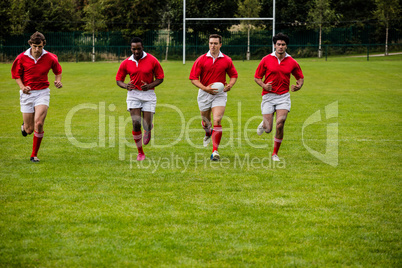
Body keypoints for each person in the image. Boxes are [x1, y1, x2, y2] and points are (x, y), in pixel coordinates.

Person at [11, 31, 63, 163]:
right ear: (30, 44)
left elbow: (58, 71)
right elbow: (16, 75)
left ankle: (34, 155)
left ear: (44, 44)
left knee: (39, 123)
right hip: (27, 94)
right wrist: (22, 87)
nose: (37, 49)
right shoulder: (21, 58)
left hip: (42, 92)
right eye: (35, 46)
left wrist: (57, 81)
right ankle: (24, 127)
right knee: (29, 130)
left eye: (40, 46)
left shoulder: (50, 57)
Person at [254, 32, 304, 162]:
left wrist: (299, 85)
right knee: (269, 129)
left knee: (280, 124)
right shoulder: (266, 59)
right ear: (274, 45)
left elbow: (300, 77)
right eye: (278, 44)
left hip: (283, 96)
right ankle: (264, 124)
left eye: (283, 44)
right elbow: (257, 77)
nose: (280, 46)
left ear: (286, 46)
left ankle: (275, 154)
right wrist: (264, 85)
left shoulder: (292, 61)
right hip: (268, 96)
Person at [189, 34, 238, 161]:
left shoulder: (227, 60)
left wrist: (230, 85)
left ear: (220, 45)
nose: (213, 45)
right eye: (211, 43)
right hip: (204, 93)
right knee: (207, 122)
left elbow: (233, 75)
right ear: (208, 44)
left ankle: (215, 151)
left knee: (217, 120)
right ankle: (207, 131)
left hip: (220, 94)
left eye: (216, 43)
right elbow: (193, 78)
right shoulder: (201, 59)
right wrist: (205, 88)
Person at [116, 37, 164, 161]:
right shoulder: (126, 62)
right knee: (136, 123)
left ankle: (148, 127)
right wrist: (126, 85)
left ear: (143, 47)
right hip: (133, 95)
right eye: (134, 49)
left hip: (148, 95)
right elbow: (118, 80)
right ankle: (140, 152)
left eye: (138, 48)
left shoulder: (152, 60)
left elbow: (160, 78)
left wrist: (149, 86)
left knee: (146, 124)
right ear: (131, 48)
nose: (136, 51)